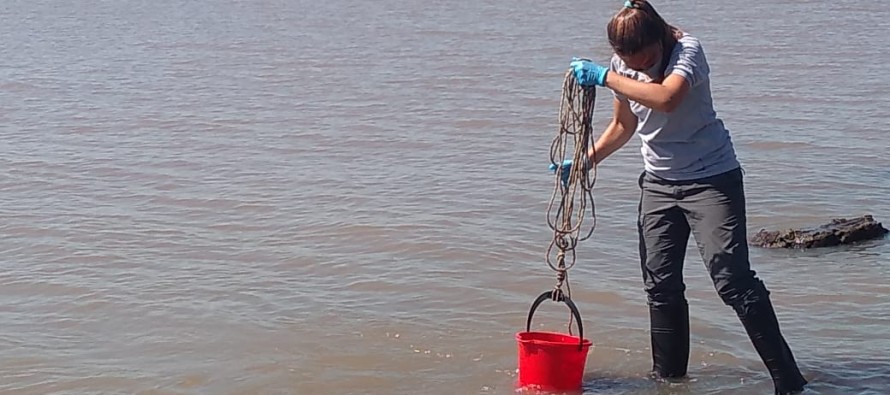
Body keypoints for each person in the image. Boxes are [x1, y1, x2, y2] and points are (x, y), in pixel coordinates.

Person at [553, 1, 808, 394]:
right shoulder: (621, 66)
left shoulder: (688, 49)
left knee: (733, 280)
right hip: (658, 184)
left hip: (712, 179)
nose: (638, 68)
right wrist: (585, 161)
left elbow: (667, 98)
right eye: (628, 63)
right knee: (660, 284)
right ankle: (669, 381)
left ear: (659, 38)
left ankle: (789, 382)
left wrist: (605, 76)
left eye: (647, 59)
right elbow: (624, 124)